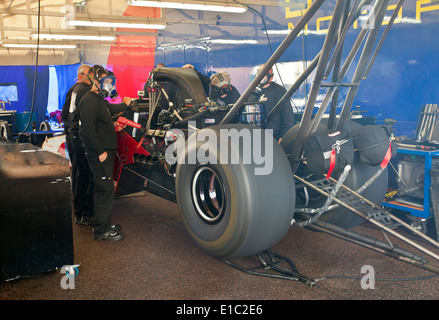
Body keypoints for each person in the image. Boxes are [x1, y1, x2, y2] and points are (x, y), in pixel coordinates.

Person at [78, 65, 132, 241]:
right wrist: (101, 152)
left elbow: (106, 114)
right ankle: (101, 230)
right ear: (94, 80)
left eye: (109, 82)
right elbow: (87, 131)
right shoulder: (89, 101)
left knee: (104, 189)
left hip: (104, 152)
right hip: (99, 154)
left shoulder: (98, 100)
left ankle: (103, 223)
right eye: (105, 82)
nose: (108, 86)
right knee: (104, 190)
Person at [61, 64, 91, 200]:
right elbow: (65, 114)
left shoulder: (77, 90)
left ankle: (75, 196)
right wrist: (72, 130)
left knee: (78, 168)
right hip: (74, 134)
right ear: (80, 76)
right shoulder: (77, 90)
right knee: (79, 168)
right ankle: (77, 197)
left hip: (73, 133)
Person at [248, 64, 295, 142]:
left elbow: (288, 116)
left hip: (272, 136)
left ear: (271, 77)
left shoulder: (279, 91)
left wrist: (283, 137)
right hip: (254, 135)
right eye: (260, 73)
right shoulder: (252, 91)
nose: (262, 76)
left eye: (265, 74)